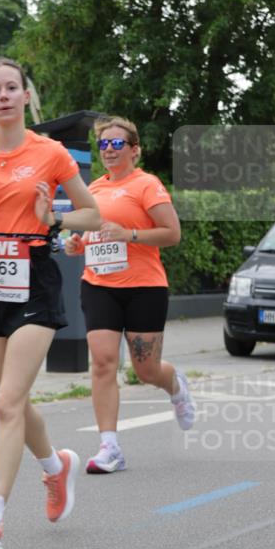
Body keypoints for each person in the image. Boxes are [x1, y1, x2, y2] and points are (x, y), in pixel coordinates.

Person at [0, 56, 101, 549]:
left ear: (26, 96)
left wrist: (56, 219)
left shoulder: (50, 154)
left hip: (33, 280)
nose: (4, 96)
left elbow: (92, 212)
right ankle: (56, 466)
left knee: (6, 403)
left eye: (12, 87)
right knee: (17, 400)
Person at [64, 116, 196, 473]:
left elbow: (172, 233)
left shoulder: (147, 185)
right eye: (103, 144)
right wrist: (79, 244)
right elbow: (92, 233)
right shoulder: (94, 190)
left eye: (116, 143)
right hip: (99, 285)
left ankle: (176, 386)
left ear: (134, 150)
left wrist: (130, 235)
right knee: (104, 363)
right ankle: (110, 447)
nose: (108, 149)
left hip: (144, 287)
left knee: (146, 369)